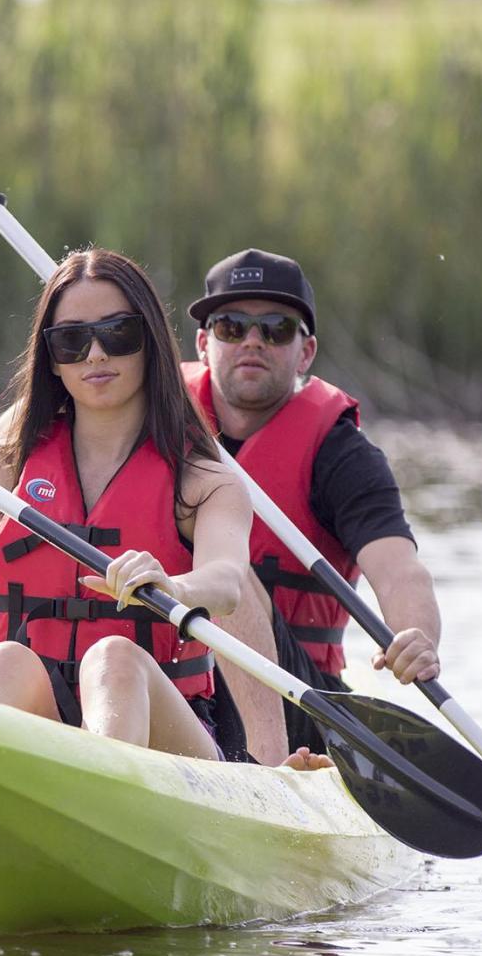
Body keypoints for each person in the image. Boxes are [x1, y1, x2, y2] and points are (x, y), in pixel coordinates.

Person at [0, 246, 329, 768]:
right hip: (42, 728)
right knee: (6, 662)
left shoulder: (205, 480)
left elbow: (227, 582)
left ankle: (103, 800)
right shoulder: (10, 469)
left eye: (117, 334)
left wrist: (176, 586)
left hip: (171, 741)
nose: (96, 355)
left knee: (115, 659)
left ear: (150, 343)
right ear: (52, 360)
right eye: (72, 340)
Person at [184, 247, 442, 756]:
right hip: (173, 671)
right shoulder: (158, 417)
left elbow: (399, 572)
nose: (252, 342)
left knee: (226, 573)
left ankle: (271, 772)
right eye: (232, 327)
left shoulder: (341, 454)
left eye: (276, 329)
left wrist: (417, 635)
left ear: (305, 352)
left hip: (299, 700)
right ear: (203, 342)